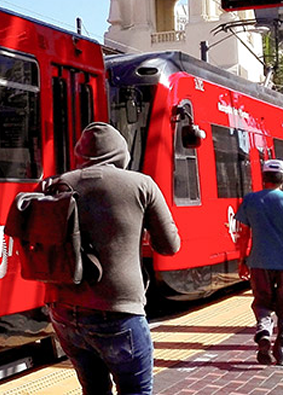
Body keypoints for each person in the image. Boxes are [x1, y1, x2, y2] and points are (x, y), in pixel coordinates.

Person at [45, 122, 181, 395]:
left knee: (94, 390)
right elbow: (169, 246)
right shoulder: (141, 184)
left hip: (63, 310)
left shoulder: (57, 184)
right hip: (119, 311)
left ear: (80, 154)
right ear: (121, 153)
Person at [236, 159, 283, 366]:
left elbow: (244, 234)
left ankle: (263, 329)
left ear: (263, 178)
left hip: (259, 261)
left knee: (262, 303)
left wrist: (243, 260)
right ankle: (282, 355)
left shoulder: (250, 200)